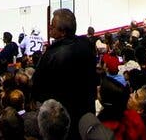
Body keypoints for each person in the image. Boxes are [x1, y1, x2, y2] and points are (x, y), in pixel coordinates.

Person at [32, 8, 98, 139]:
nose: (50, 27)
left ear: (62, 32)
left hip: (62, 119)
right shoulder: (86, 44)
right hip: (86, 115)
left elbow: (37, 87)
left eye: (53, 25)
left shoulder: (51, 55)